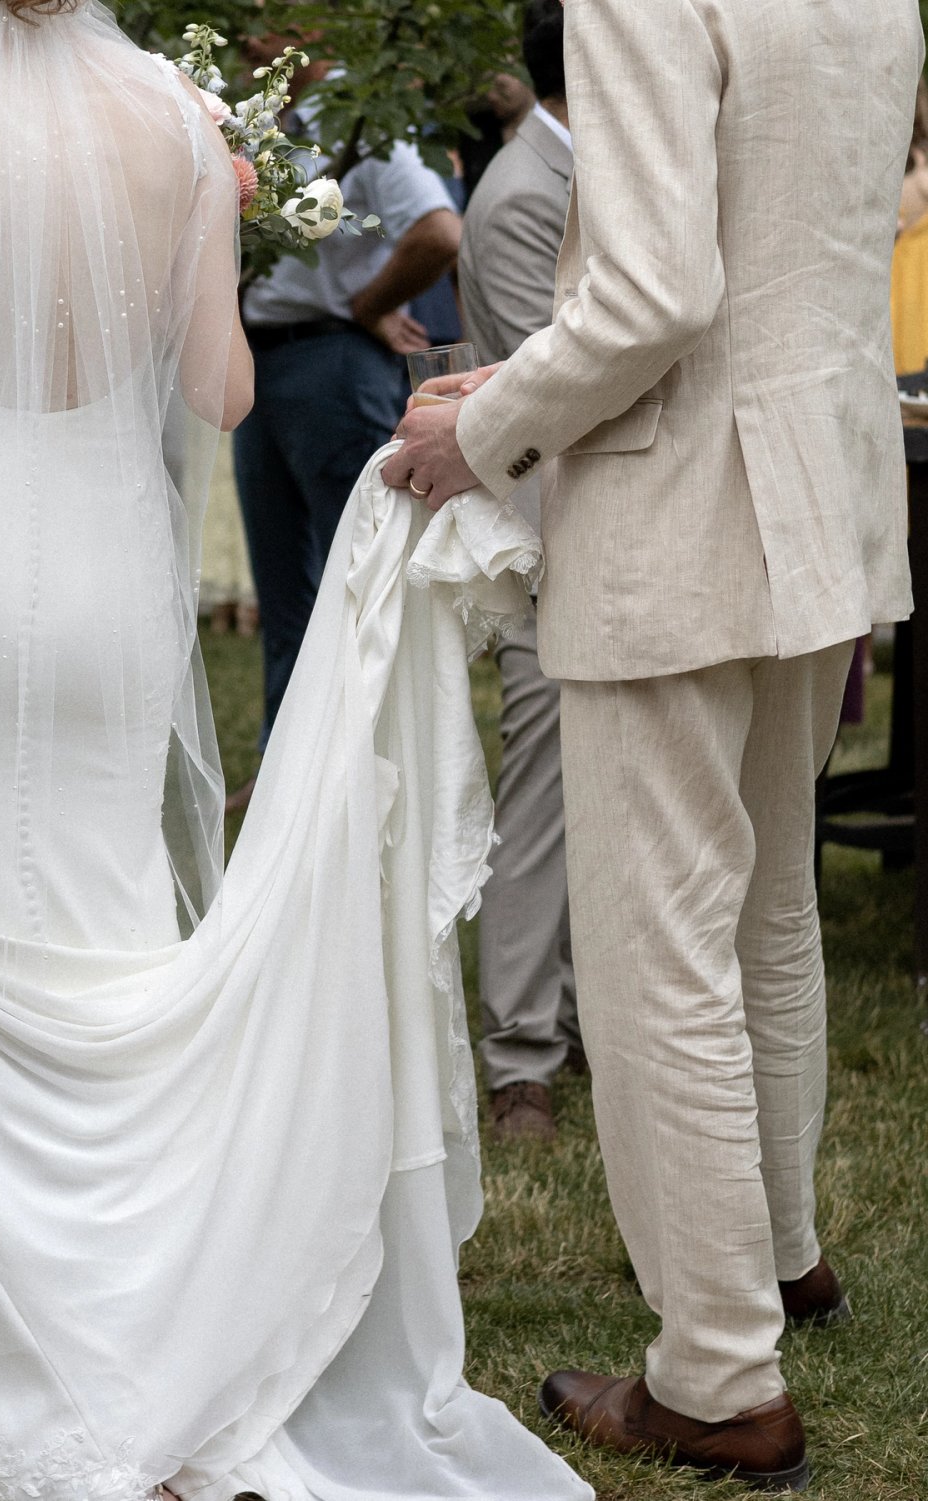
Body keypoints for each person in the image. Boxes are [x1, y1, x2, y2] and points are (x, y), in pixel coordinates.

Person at [0, 3, 595, 1499]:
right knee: (103, 939)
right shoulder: (173, 115)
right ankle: (136, 1339)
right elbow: (219, 388)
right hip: (104, 589)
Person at [384, 0, 922, 1489]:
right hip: (821, 483)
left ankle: (717, 1373)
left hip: (679, 508)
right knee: (768, 910)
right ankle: (782, 1258)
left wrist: (483, 434)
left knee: (654, 949)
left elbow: (653, 294)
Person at [228, 42, 461, 809]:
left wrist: (364, 304)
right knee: (285, 588)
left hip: (331, 361)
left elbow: (436, 229)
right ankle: (286, 779)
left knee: (356, 577)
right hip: (261, 364)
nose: (255, 26)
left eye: (270, 14)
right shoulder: (257, 123)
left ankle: (374, 774)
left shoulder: (365, 118)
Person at [458, 0, 580, 1143]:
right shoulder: (522, 196)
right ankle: (520, 1057)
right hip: (558, 541)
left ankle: (577, 1019)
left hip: (614, 538)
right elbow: (532, 392)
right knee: (539, 799)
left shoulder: (577, 170)